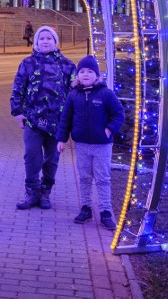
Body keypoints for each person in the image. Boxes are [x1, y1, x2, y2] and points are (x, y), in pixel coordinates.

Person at [10, 26, 76, 210]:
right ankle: (32, 192)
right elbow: (18, 89)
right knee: (32, 156)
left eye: (49, 38)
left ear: (55, 42)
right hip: (33, 120)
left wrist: (70, 119)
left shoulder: (67, 65)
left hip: (58, 122)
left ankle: (45, 192)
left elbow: (73, 94)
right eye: (42, 38)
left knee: (52, 158)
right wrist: (17, 112)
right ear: (36, 42)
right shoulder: (27, 63)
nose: (45, 41)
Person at [57, 55, 125, 230]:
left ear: (96, 75)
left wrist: (109, 129)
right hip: (82, 145)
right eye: (82, 72)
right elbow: (66, 118)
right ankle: (86, 208)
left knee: (102, 178)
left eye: (89, 72)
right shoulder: (73, 95)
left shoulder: (106, 94)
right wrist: (61, 139)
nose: (85, 75)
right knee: (85, 178)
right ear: (77, 76)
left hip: (102, 145)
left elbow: (119, 114)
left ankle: (105, 212)